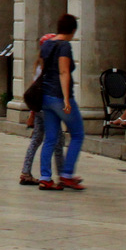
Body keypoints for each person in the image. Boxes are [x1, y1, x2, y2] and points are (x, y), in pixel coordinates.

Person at [36, 14, 85, 192]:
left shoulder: (47, 44)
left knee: (50, 138)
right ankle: (67, 174)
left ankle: (45, 177)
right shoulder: (64, 46)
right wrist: (66, 99)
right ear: (73, 30)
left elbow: (42, 68)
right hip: (59, 96)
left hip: (46, 96)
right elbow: (63, 72)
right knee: (78, 134)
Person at [20, 31, 67, 186]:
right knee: (57, 141)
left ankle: (26, 172)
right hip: (49, 108)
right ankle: (61, 175)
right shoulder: (52, 67)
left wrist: (32, 113)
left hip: (39, 108)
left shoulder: (39, 65)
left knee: (36, 139)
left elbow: (36, 90)